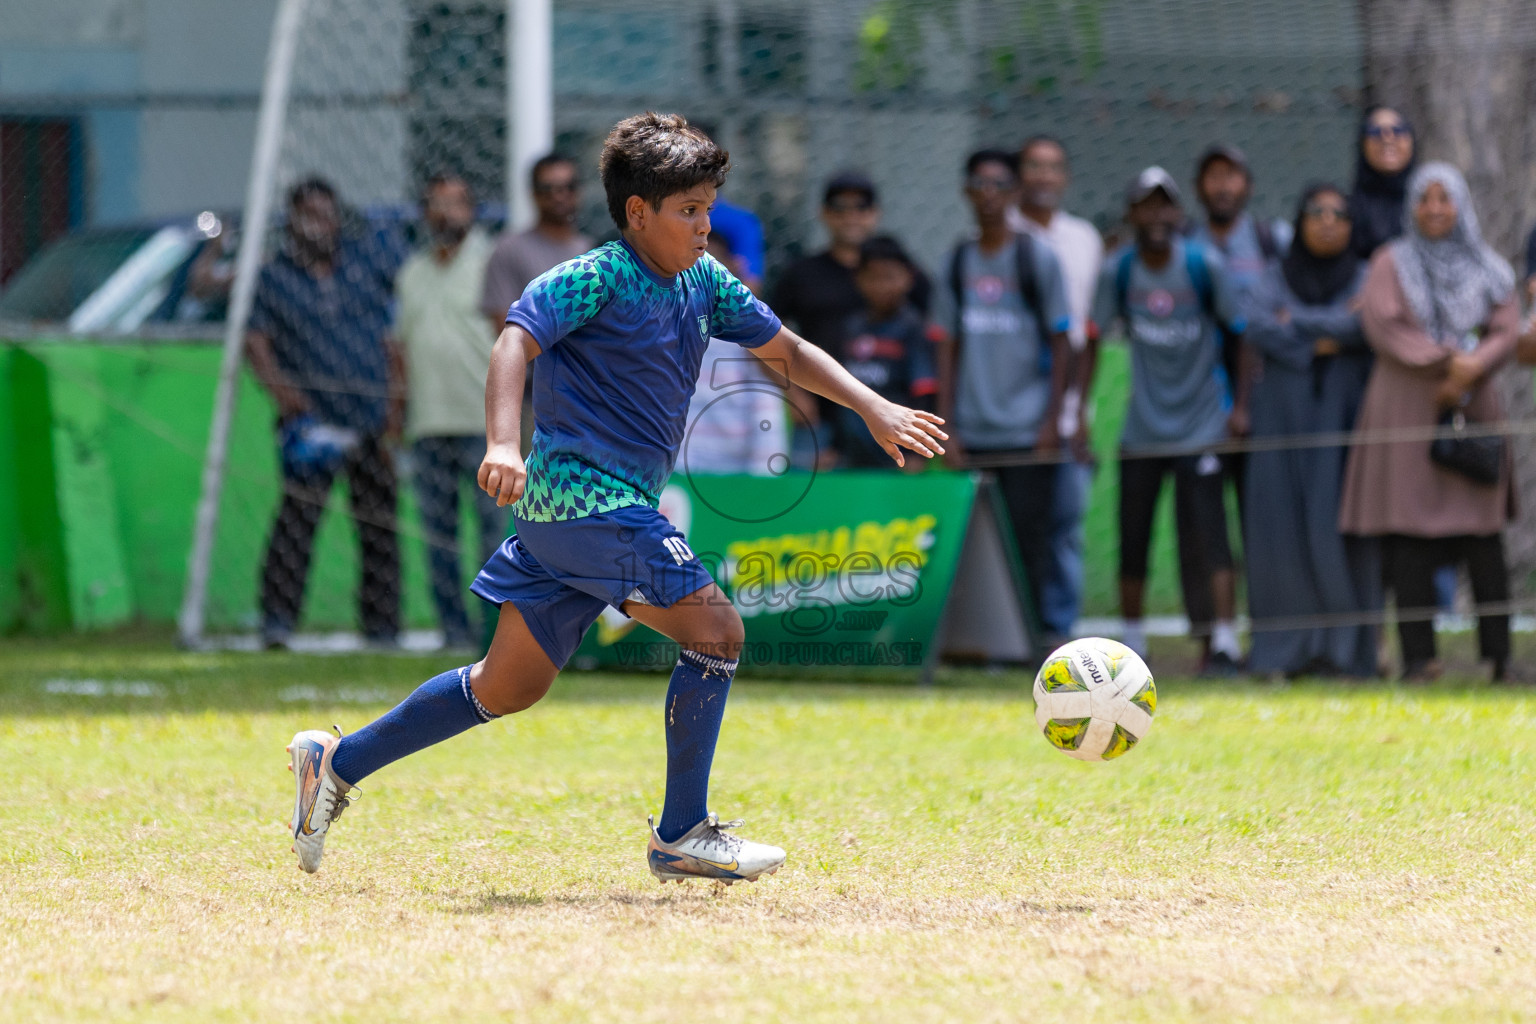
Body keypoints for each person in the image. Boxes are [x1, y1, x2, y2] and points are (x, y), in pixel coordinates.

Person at [285, 112, 947, 882]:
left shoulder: (704, 281)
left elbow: (787, 350)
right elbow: (514, 340)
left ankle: (336, 762)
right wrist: (502, 443)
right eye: (688, 210)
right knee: (717, 632)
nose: (704, 226)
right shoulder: (595, 275)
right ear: (638, 213)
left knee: (507, 686)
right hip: (584, 503)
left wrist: (872, 406)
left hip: (581, 518)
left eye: (707, 208)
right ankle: (681, 832)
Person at [1339, 163, 1520, 682]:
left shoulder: (1489, 267)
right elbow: (1384, 325)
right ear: (1411, 207)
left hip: (1470, 409)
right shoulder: (1389, 262)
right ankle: (1420, 659)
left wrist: (1474, 366)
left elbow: (1506, 326)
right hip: (1407, 409)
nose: (1435, 209)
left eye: (1445, 198)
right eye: (1425, 199)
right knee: (1409, 536)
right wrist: (1451, 363)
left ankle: (1500, 660)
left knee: (1483, 537)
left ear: (1461, 205)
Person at [1093, 167, 1246, 672]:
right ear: (1131, 214)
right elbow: (1093, 337)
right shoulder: (1119, 271)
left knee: (1210, 535)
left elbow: (1240, 334)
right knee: (1133, 534)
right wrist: (1079, 411)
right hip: (1143, 428)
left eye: (1164, 205)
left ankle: (1224, 640)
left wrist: (1240, 407)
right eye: (1146, 206)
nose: (1156, 215)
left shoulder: (1204, 265)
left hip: (1202, 425)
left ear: (1178, 213)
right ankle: (1132, 641)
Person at [247, 177, 400, 650]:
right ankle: (277, 621)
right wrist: (286, 397)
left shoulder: (364, 266)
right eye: (310, 215)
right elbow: (256, 343)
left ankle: (382, 628)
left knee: (378, 525)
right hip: (312, 425)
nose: (321, 225)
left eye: (328, 215)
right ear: (292, 221)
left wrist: (394, 407)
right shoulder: (274, 277)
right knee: (296, 524)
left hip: (369, 418)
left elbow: (393, 336)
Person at [937, 148, 1075, 644]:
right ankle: (983, 644)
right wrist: (947, 426)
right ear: (966, 192)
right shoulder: (957, 260)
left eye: (1000, 185)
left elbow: (1063, 342)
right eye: (980, 184)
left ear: (1015, 192)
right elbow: (946, 345)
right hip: (974, 429)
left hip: (1026, 430)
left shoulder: (1037, 257)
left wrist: (1052, 421)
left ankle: (1032, 643)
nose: (989, 195)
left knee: (1031, 541)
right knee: (974, 547)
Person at [1242, 184, 1379, 677]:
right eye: (1315, 212)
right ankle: (1283, 653)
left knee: (1338, 529)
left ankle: (1344, 653)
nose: (1326, 221)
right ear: (1299, 222)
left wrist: (1296, 322)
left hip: (1344, 416)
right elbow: (1256, 322)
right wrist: (1325, 335)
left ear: (1351, 225)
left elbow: (1366, 324)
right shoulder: (1274, 274)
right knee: (1278, 529)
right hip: (1281, 417)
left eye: (1338, 214)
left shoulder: (1365, 275)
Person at [390, 174, 504, 651]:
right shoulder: (411, 273)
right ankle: (453, 633)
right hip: (428, 424)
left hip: (486, 425)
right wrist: (396, 421)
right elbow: (398, 351)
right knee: (438, 538)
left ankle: (495, 633)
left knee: (493, 537)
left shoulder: (493, 263)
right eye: (436, 204)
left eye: (455, 203)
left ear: (472, 210)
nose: (445, 213)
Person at [1008, 133, 1104, 641]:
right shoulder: (997, 235)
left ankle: (1059, 634)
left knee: (1065, 525)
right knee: (1011, 531)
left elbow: (1088, 332)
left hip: (1064, 413)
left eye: (1053, 166)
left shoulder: (1084, 239)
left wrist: (1078, 410)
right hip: (1010, 411)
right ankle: (1009, 634)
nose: (1044, 176)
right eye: (1034, 165)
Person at [771, 171, 930, 466]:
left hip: (890, 412)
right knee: (814, 490)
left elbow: (934, 338)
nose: (851, 217)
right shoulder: (803, 274)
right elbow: (759, 333)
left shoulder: (903, 272)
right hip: (819, 415)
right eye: (840, 208)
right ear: (823, 213)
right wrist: (793, 392)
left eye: (861, 207)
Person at [681, 232, 789, 475]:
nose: (700, 274)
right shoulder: (656, 332)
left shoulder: (749, 336)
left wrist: (762, 480)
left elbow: (766, 404)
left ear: (731, 270)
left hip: (735, 477)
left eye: (711, 265)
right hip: (669, 478)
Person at [835, 235, 940, 469]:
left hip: (897, 453)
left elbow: (923, 391)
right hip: (853, 449)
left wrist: (915, 452)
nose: (881, 286)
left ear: (908, 278)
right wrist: (836, 445)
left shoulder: (914, 328)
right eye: (873, 278)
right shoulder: (851, 327)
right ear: (858, 279)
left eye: (890, 277)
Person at [480, 153, 593, 335]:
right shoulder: (509, 250)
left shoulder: (592, 252)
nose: (559, 196)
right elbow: (505, 330)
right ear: (533, 194)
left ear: (579, 191)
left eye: (568, 187)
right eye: (548, 189)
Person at [1347, 106, 1417, 260]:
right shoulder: (1347, 209)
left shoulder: (1430, 201)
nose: (1387, 138)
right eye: (1375, 132)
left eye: (1397, 130)